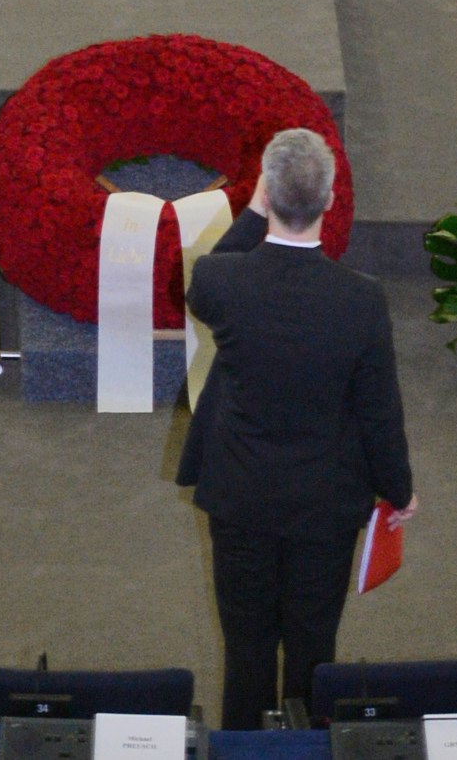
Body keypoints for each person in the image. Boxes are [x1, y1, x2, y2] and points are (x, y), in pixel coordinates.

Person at [177, 126, 416, 730]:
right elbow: (379, 409)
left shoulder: (221, 281)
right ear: (330, 199)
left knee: (247, 646)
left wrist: (255, 211)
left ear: (265, 191)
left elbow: (214, 270)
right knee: (313, 646)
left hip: (240, 494)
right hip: (325, 502)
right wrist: (399, 489)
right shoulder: (362, 299)